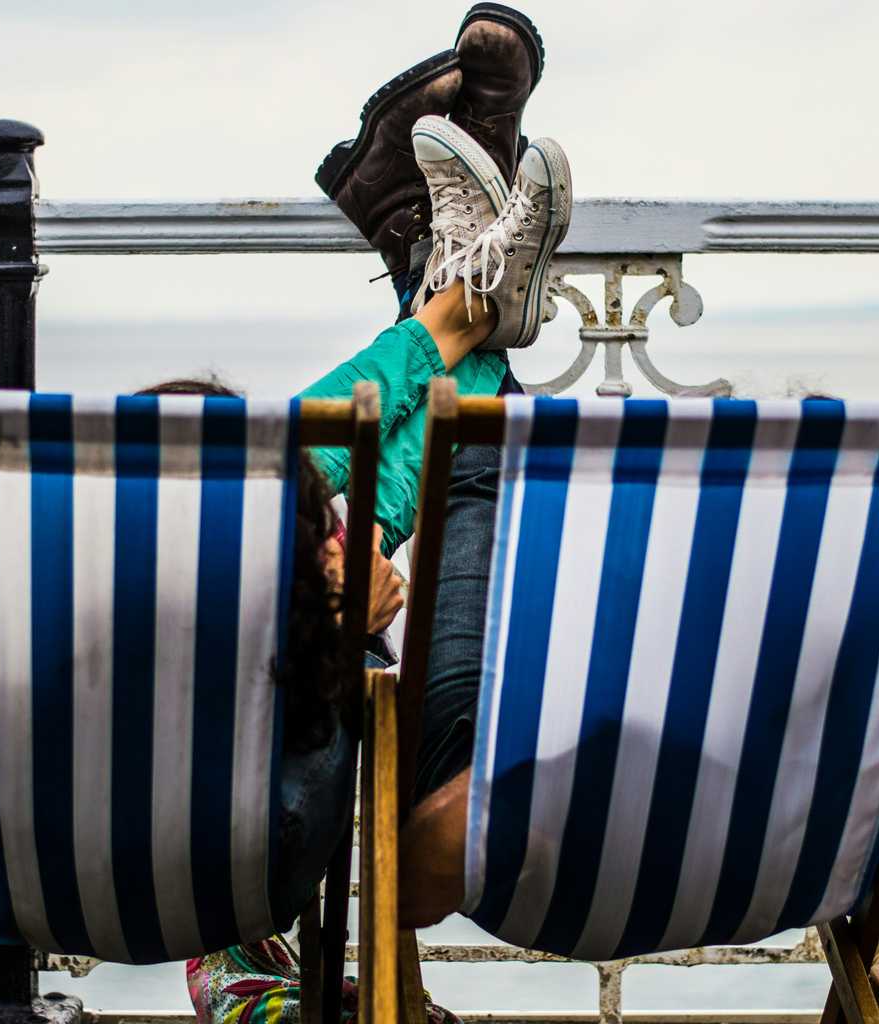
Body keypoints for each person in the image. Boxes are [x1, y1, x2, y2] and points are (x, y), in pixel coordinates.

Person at [186, 4, 570, 1020]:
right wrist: (329, 620)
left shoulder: (68, 651)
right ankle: (460, 301)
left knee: (288, 478)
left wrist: (320, 575)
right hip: (274, 834)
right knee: (308, 473)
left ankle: (447, 293)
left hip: (77, 855)